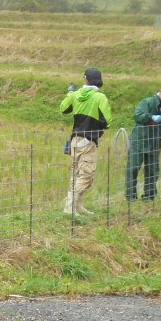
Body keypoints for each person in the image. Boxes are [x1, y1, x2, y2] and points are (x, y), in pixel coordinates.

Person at [60, 67, 112, 216]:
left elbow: (63, 108)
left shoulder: (75, 94)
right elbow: (107, 121)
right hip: (89, 140)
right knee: (87, 175)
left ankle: (77, 206)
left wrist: (70, 93)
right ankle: (70, 207)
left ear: (85, 79)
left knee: (76, 173)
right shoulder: (99, 97)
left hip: (75, 139)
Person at [126, 83, 161, 201]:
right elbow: (137, 116)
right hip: (139, 140)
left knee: (152, 169)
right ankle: (131, 197)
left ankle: (149, 196)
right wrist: (151, 117)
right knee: (133, 168)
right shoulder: (147, 102)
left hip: (155, 141)